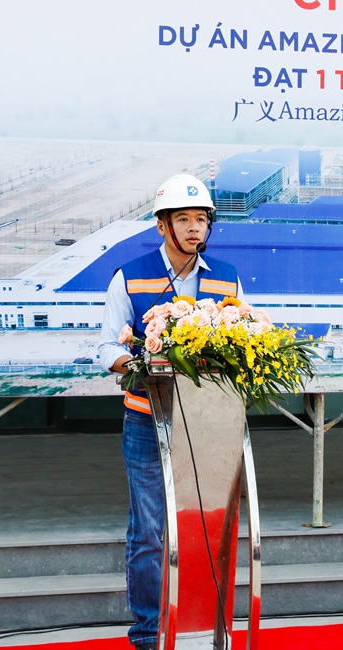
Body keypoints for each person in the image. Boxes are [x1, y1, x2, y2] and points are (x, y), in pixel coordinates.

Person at [98, 174, 241, 650]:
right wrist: (133, 363)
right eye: (184, 219)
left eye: (202, 219)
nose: (195, 228)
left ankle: (205, 629)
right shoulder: (130, 276)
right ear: (162, 225)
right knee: (149, 532)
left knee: (207, 527)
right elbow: (106, 345)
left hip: (208, 423)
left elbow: (244, 339)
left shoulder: (227, 278)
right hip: (147, 419)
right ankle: (147, 635)